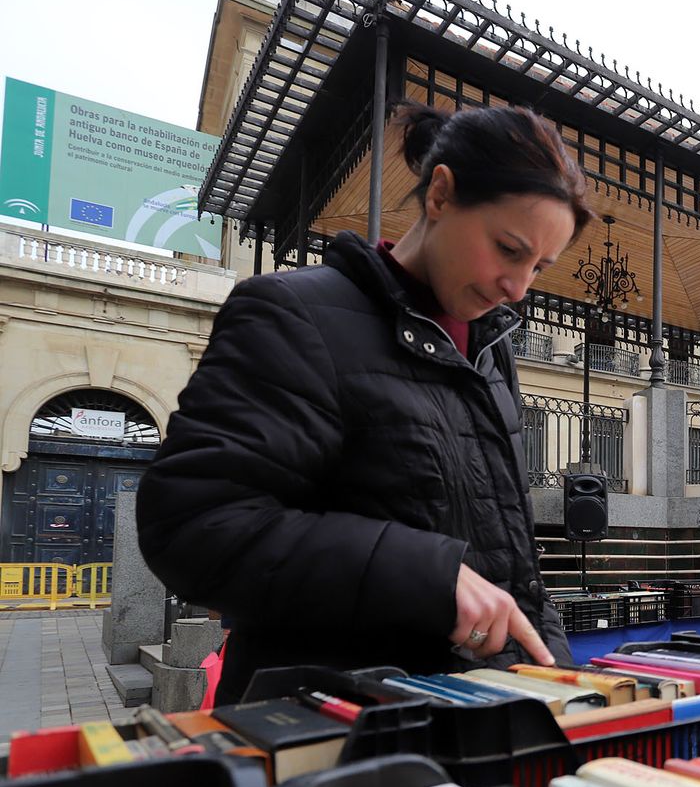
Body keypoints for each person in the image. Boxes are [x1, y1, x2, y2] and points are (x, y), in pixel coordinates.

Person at [138, 102, 592, 702]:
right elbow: (194, 525)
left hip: (482, 715)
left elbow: (511, 565)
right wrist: (424, 575)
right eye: (509, 249)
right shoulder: (292, 314)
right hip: (339, 726)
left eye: (539, 266)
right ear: (441, 193)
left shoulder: (489, 350)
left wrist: (560, 684)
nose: (518, 286)